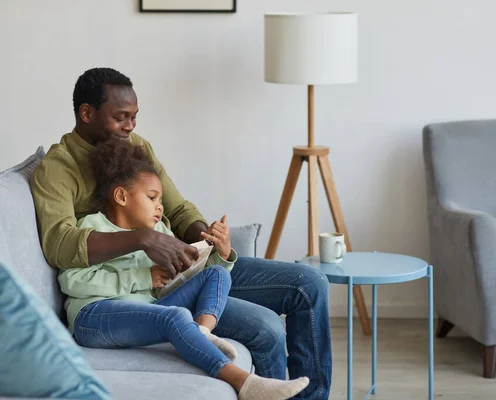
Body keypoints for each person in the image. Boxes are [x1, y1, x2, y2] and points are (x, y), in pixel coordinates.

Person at [30, 67, 332, 399]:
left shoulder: (136, 146)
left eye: (134, 117)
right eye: (120, 118)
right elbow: (59, 244)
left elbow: (177, 209)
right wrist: (145, 239)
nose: (130, 127)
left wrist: (208, 241)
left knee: (310, 283)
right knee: (267, 328)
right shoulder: (58, 169)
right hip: (137, 287)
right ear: (86, 113)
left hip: (183, 269)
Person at [57, 138, 308, 399]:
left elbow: (188, 275)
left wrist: (218, 252)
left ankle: (203, 333)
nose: (160, 207)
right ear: (121, 196)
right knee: (176, 316)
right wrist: (143, 277)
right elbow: (72, 282)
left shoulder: (160, 232)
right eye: (152, 197)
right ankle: (245, 383)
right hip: (94, 316)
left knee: (217, 273)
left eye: (160, 199)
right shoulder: (92, 228)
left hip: (148, 309)